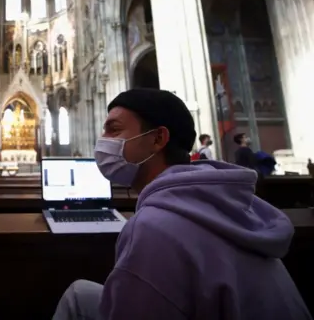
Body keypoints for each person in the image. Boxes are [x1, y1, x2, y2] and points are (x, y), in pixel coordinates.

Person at [53, 88, 310, 320]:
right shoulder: (227, 200)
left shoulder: (152, 228)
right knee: (79, 294)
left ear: (158, 139)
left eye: (114, 130)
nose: (103, 141)